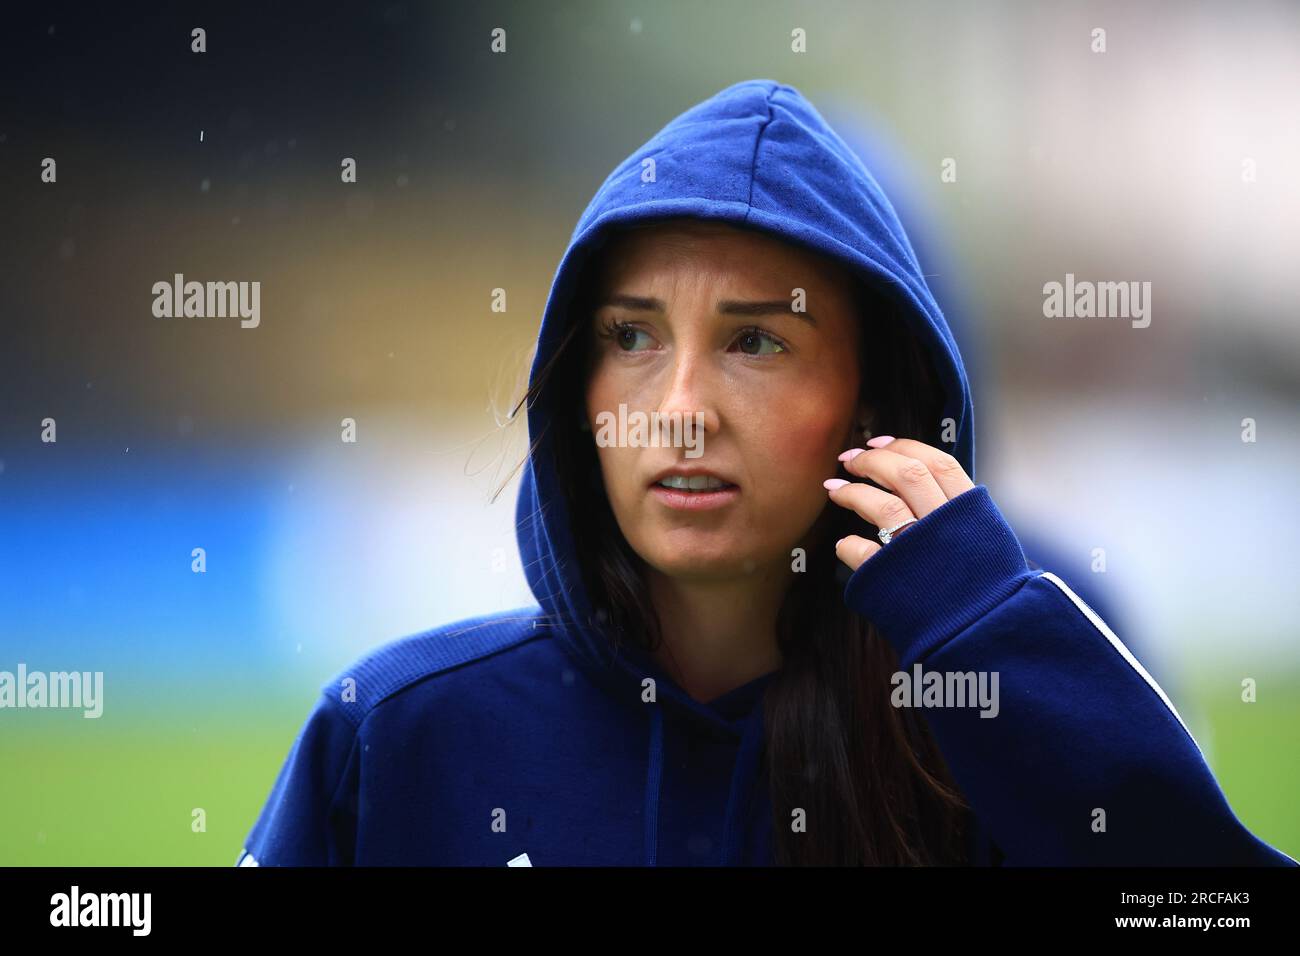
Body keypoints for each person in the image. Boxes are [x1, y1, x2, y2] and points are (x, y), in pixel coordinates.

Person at [237, 79, 1296, 867]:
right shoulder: (397, 734)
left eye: (756, 343)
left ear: (874, 408)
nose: (682, 408)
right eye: (631, 335)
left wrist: (1003, 652)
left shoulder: (986, 727)